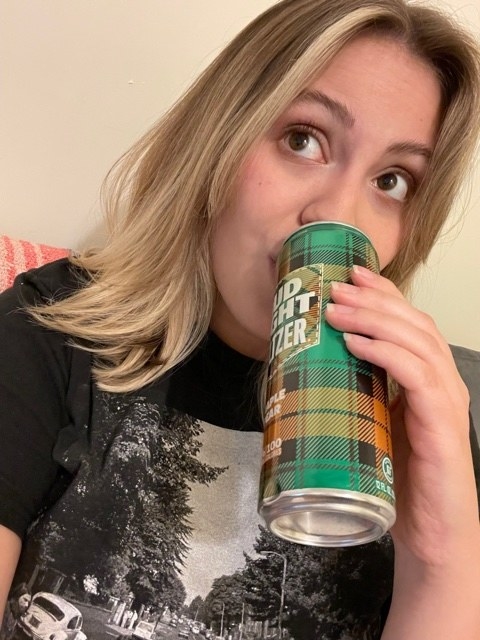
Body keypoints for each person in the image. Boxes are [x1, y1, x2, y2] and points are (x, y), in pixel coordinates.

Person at [1, 0, 479, 638]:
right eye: (302, 139)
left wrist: (442, 554)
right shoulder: (48, 333)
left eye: (392, 180)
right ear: (217, 144)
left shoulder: (417, 421)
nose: (337, 213)